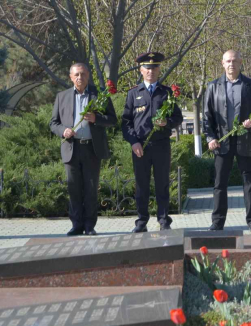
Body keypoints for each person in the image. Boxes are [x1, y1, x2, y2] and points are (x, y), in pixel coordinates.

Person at [50, 63, 117, 236]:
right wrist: (63, 131)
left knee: (91, 189)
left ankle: (89, 226)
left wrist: (96, 118)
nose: (80, 77)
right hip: (71, 148)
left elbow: (112, 119)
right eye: (76, 75)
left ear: (88, 76)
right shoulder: (62, 97)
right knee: (74, 189)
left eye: (83, 74)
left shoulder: (99, 94)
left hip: (91, 149)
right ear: (71, 77)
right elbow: (53, 123)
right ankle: (76, 225)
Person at [203, 50, 251, 232]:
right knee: (220, 184)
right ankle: (218, 222)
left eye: (235, 61)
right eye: (228, 61)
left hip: (245, 141)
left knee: (250, 183)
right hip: (222, 143)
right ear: (222, 63)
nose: (231, 64)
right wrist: (210, 137)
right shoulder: (213, 87)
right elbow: (207, 116)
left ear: (241, 63)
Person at [122, 52, 183, 232]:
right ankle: (141, 222)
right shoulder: (133, 93)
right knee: (141, 185)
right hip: (140, 146)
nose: (151, 71)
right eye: (147, 68)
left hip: (161, 145)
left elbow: (178, 117)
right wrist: (133, 142)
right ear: (141, 70)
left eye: (154, 68)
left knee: (162, 184)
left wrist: (167, 123)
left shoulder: (166, 92)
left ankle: (164, 220)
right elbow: (126, 122)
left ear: (159, 70)